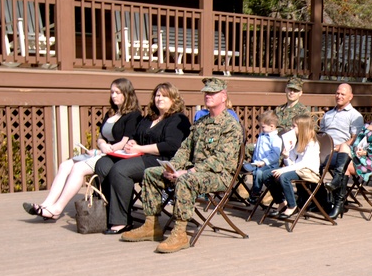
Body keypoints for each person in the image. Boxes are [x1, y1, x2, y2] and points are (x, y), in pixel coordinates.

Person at [120, 77, 243, 252]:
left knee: (186, 180)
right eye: (206, 92)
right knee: (151, 173)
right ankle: (151, 226)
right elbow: (185, 149)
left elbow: (219, 160)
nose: (207, 95)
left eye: (212, 93)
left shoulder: (231, 125)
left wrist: (188, 171)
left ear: (223, 96)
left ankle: (180, 233)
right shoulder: (201, 123)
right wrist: (173, 167)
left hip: (218, 175)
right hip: (193, 171)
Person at [23, 79, 141, 220]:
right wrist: (102, 145)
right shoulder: (111, 113)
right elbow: (101, 137)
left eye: (117, 92)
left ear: (127, 94)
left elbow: (124, 142)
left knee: (78, 168)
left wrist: (103, 151)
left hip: (114, 156)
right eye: (112, 92)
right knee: (65, 165)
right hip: (102, 152)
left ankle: (57, 209)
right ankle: (46, 204)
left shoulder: (134, 115)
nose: (113, 96)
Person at [94, 83, 191, 235]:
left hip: (162, 160)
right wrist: (133, 142)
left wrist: (139, 148)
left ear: (174, 99)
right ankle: (109, 213)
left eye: (165, 96)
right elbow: (135, 135)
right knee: (103, 164)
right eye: (158, 95)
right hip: (139, 156)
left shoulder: (178, 119)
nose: (160, 98)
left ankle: (121, 221)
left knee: (120, 170)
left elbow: (171, 146)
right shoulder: (149, 117)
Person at [319, 83, 365, 216]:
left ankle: (337, 201)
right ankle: (318, 199)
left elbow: (355, 138)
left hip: (341, 152)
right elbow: (321, 134)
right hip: (324, 149)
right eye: (337, 93)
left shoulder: (355, 115)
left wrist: (339, 147)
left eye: (343, 94)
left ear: (350, 97)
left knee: (329, 163)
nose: (339, 96)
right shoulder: (328, 114)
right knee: (307, 163)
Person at [265, 114, 322, 220]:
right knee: (266, 175)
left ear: (302, 128)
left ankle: (292, 205)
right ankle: (281, 202)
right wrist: (286, 157)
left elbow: (303, 164)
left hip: (308, 172)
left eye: (294, 126)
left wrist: (283, 170)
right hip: (297, 169)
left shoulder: (312, 144)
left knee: (283, 177)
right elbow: (291, 165)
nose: (291, 128)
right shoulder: (296, 141)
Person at [243, 110, 283, 205]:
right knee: (244, 166)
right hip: (257, 162)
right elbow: (259, 147)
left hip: (269, 165)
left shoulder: (276, 139)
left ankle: (256, 192)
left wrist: (264, 161)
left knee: (259, 172)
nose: (260, 128)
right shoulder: (262, 135)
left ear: (272, 126)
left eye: (263, 127)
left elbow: (275, 155)